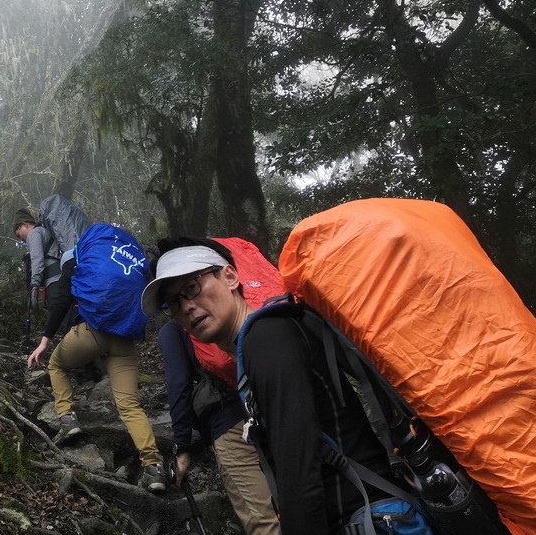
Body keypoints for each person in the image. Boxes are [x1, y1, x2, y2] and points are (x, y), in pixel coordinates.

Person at [142, 238, 402, 535]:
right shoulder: (258, 342)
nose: (186, 306)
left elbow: (299, 472)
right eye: (174, 302)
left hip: (367, 518)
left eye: (192, 287)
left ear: (230, 277)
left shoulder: (266, 340)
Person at [26, 223, 167, 494]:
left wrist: (45, 339)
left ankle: (67, 420)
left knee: (57, 365)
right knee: (129, 405)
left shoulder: (76, 255)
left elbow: (64, 297)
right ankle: (154, 466)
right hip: (125, 339)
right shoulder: (131, 257)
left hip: (92, 330)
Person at [158, 319, 279, 534]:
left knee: (261, 517)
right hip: (266, 409)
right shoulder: (224, 313)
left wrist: (182, 447)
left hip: (228, 425)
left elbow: (178, 385)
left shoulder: (174, 329)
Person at [12, 207, 63, 315]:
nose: (20, 239)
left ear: (24, 225)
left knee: (59, 318)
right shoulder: (43, 231)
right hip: (60, 278)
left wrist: (34, 284)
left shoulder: (34, 233)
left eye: (18, 234)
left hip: (55, 281)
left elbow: (37, 260)